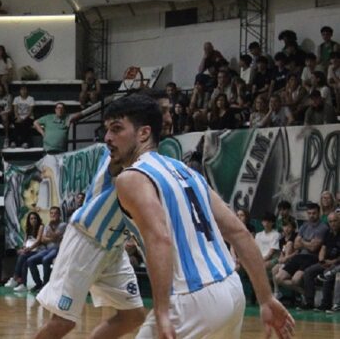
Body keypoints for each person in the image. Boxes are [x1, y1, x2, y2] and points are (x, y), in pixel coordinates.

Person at [105, 94, 294, 338]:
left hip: (188, 299)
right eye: (107, 130)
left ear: (143, 133)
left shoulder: (131, 178)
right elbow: (238, 231)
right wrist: (266, 298)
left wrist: (162, 312)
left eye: (117, 129)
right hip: (231, 289)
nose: (108, 138)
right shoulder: (185, 170)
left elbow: (159, 239)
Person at [34, 90, 174, 339]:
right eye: (163, 110)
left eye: (169, 110)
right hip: (86, 239)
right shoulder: (125, 152)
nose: (168, 116)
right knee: (63, 323)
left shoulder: (151, 155)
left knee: (133, 315)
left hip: (112, 246)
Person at [301, 211, 339, 311]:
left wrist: (332, 262)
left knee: (328, 274)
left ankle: (325, 304)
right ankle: (309, 302)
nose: (333, 223)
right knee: (308, 272)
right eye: (330, 221)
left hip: (336, 263)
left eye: (335, 221)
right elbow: (323, 248)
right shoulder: (328, 233)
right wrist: (321, 260)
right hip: (326, 262)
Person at [26, 206, 66, 293]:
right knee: (30, 260)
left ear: (59, 215)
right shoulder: (48, 225)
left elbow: (55, 236)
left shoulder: (63, 225)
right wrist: (52, 238)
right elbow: (43, 239)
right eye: (51, 213)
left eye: (55, 213)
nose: (53, 215)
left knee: (45, 260)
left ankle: (46, 285)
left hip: (57, 249)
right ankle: (38, 283)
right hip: (47, 249)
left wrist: (51, 233)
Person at [4, 211, 44, 292]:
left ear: (38, 219)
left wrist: (29, 249)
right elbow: (25, 242)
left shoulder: (41, 227)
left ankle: (15, 278)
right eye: (31, 219)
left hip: (38, 250)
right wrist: (23, 248)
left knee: (23, 256)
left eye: (35, 218)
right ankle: (23, 284)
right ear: (29, 220)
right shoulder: (27, 228)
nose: (33, 220)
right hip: (28, 251)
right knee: (24, 259)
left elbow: (38, 241)